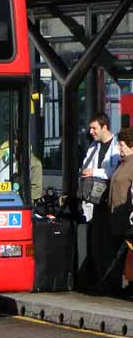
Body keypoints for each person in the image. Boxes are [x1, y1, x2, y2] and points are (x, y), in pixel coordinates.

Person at [81, 112, 120, 287]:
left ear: (105, 127)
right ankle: (99, 279)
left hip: (110, 202)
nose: (91, 132)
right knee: (97, 242)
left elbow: (114, 172)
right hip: (95, 202)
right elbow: (85, 167)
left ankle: (111, 281)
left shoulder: (117, 146)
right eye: (90, 128)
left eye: (94, 128)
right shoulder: (93, 147)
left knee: (109, 244)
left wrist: (94, 172)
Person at [104, 127, 133, 294]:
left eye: (122, 145)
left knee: (126, 255)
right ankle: (116, 285)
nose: (119, 148)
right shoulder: (123, 163)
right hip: (116, 217)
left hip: (126, 217)